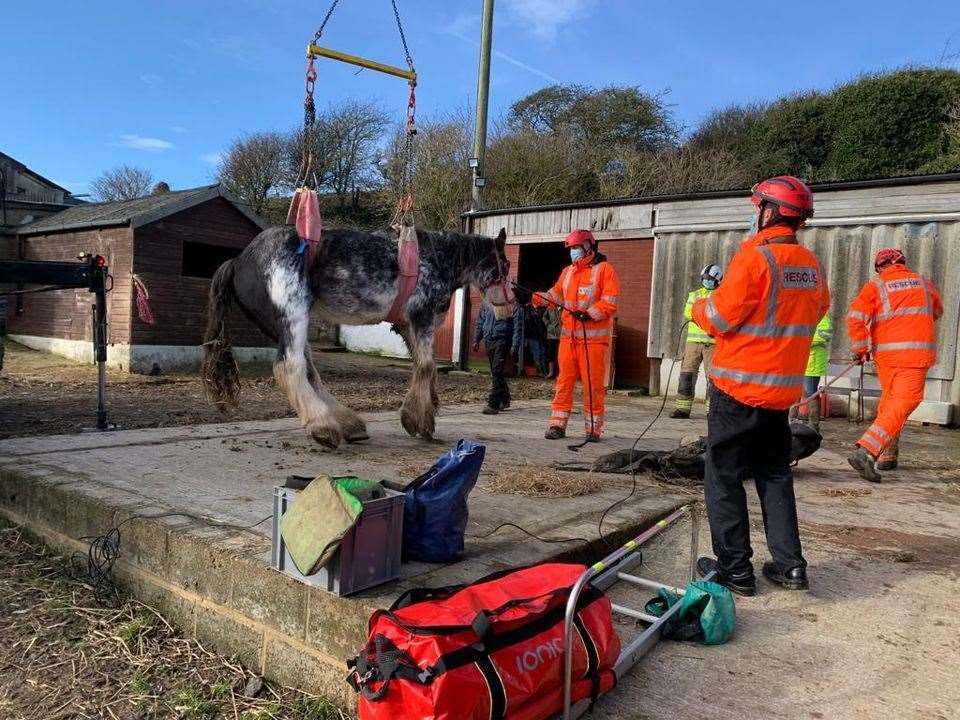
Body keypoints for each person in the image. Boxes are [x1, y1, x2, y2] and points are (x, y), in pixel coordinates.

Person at [691, 175, 830, 595]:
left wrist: (700, 306)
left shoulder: (754, 259)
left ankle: (736, 571)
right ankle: (791, 568)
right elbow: (817, 308)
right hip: (781, 394)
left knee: (724, 477)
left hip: (737, 390)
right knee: (773, 475)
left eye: (758, 207)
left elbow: (719, 319)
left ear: (768, 212)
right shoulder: (811, 266)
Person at [846, 248, 943, 481]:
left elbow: (855, 317)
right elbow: (936, 311)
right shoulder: (923, 284)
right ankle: (867, 449)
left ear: (880, 267)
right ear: (902, 263)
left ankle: (886, 456)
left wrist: (861, 349)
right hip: (914, 357)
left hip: (887, 358)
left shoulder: (876, 286)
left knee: (891, 403)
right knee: (905, 402)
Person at [533, 228, 620, 442]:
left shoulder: (605, 270)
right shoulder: (567, 272)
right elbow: (554, 296)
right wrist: (532, 297)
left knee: (593, 386)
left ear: (588, 246)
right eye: (571, 249)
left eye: (576, 248)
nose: (573, 252)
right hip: (568, 340)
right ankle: (557, 425)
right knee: (564, 383)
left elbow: (610, 302)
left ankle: (593, 429)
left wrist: (590, 314)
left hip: (593, 342)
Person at [671, 264, 722, 419]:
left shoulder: (722, 296)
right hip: (693, 343)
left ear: (718, 280)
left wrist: (703, 316)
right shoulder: (694, 295)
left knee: (712, 379)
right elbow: (688, 313)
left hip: (713, 344)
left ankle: (711, 411)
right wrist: (706, 319)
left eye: (710, 279)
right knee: (686, 375)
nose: (706, 281)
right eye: (705, 278)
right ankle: (682, 409)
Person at [473, 299, 519, 415]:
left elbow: (517, 324)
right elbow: (480, 320)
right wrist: (477, 339)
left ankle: (493, 404)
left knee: (497, 370)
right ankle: (505, 398)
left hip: (502, 338)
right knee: (495, 372)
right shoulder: (486, 301)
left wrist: (515, 344)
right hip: (488, 338)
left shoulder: (511, 301)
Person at [793, 313, 833, 432]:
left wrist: (803, 340)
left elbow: (824, 335)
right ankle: (792, 419)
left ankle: (814, 424)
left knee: (811, 393)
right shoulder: (805, 313)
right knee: (795, 391)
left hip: (813, 361)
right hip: (800, 360)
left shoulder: (822, 315)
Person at [513, 288, 549, 377]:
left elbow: (542, 323)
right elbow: (527, 323)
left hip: (540, 335)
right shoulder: (528, 309)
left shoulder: (540, 310)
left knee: (543, 353)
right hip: (533, 335)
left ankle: (543, 371)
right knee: (537, 354)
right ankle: (540, 371)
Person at [543, 305, 562, 378]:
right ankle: (551, 372)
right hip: (551, 335)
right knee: (551, 354)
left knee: (560, 355)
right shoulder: (549, 308)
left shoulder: (564, 308)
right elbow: (544, 317)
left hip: (561, 335)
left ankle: (560, 373)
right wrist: (548, 324)